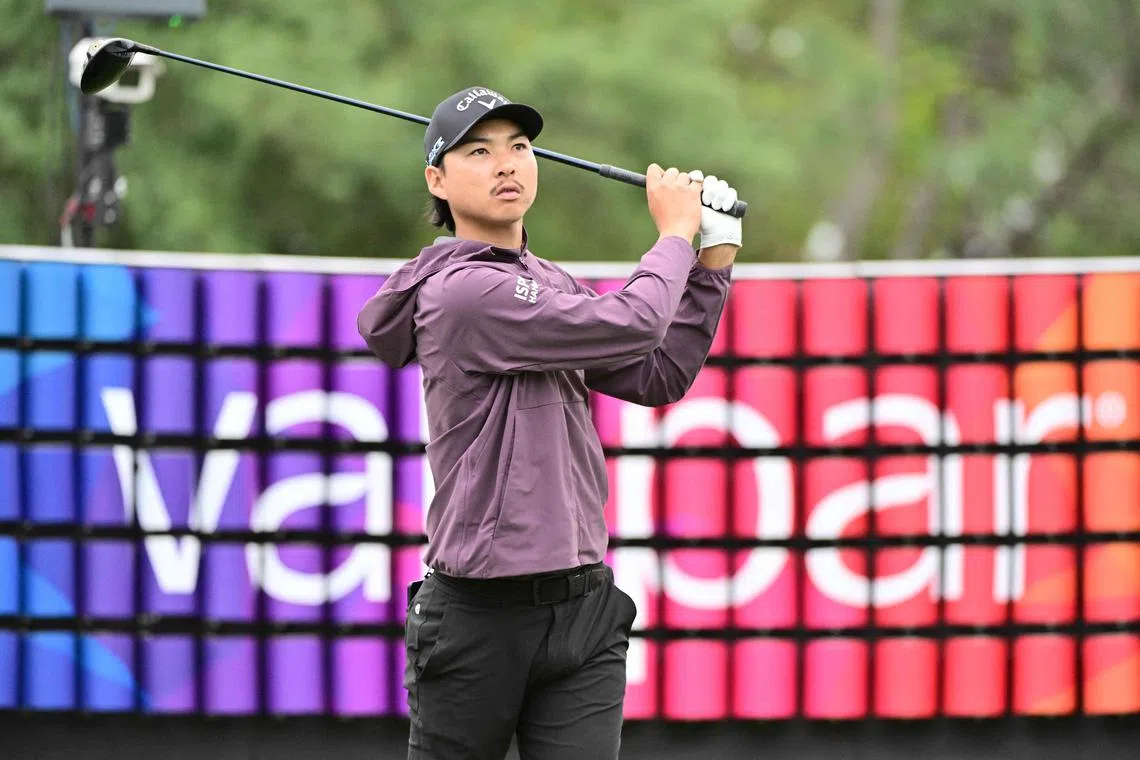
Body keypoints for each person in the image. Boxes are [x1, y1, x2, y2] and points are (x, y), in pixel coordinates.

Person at [356, 85, 743, 760]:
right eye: (479, 151)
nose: (506, 164)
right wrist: (676, 233)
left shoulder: (546, 280)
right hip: (480, 618)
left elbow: (656, 374)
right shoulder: (461, 293)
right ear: (437, 181)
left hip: (584, 610)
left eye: (520, 147)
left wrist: (712, 263)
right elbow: (636, 321)